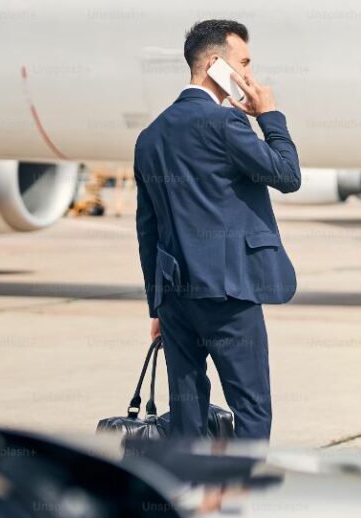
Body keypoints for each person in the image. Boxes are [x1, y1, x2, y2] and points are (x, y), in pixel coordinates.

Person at [133, 19, 300, 440]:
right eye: (243, 63)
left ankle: (191, 497)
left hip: (176, 299)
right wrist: (271, 116)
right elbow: (287, 174)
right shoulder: (226, 125)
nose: (249, 76)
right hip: (230, 292)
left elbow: (147, 229)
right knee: (251, 409)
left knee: (187, 416)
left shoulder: (150, 137)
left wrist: (158, 306)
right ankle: (243, 500)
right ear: (213, 63)